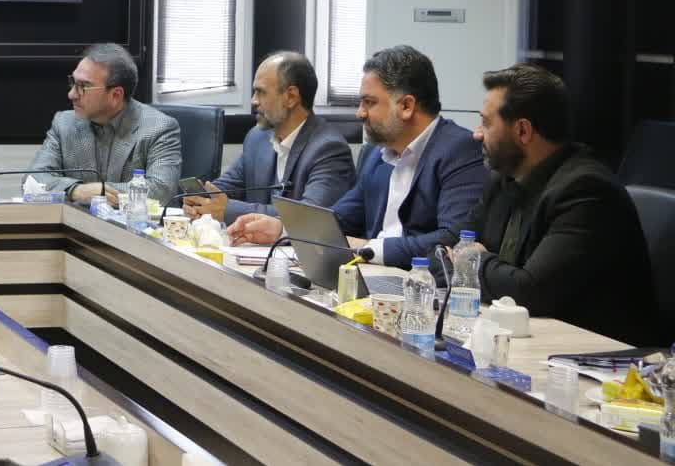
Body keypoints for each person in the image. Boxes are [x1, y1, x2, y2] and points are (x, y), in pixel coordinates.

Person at [230, 45, 486, 269]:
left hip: (422, 286)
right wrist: (281, 230)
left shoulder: (458, 150)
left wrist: (369, 249)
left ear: (407, 106)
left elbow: (452, 239)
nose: (359, 113)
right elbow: (338, 219)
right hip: (374, 276)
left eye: (369, 103)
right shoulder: (377, 155)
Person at [459, 64, 658, 346]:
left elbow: (530, 292)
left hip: (595, 357)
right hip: (528, 339)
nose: (477, 134)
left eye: (487, 123)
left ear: (523, 131)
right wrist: (464, 256)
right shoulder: (503, 179)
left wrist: (471, 260)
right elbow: (451, 243)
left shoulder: (586, 191)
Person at [194, 52, 353, 226]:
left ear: (291, 97)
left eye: (260, 92)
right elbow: (226, 187)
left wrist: (227, 210)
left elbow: (310, 217)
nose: (253, 101)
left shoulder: (329, 149)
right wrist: (199, 198)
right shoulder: (257, 138)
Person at [30, 43, 181, 205]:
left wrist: (101, 191)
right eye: (73, 83)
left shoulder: (159, 128)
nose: (71, 94)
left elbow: (161, 190)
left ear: (116, 95)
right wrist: (76, 190)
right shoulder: (63, 124)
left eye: (83, 86)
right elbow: (33, 180)